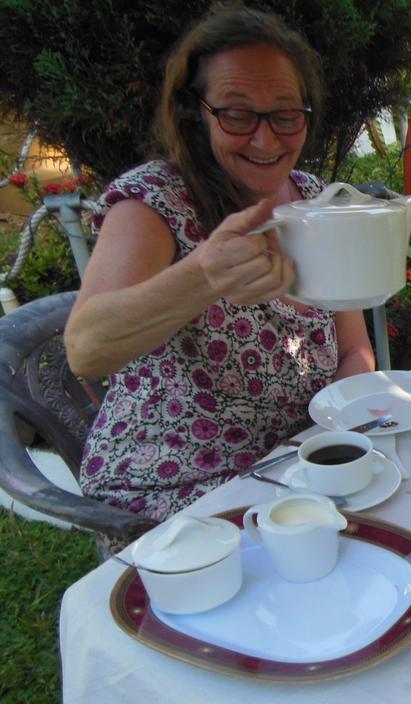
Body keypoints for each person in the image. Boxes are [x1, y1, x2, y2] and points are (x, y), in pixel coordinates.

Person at [64, 4, 373, 525]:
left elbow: (355, 348)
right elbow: (86, 348)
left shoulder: (317, 200)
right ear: (196, 112)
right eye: (236, 113)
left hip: (300, 463)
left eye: (285, 113)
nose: (265, 138)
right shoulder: (155, 202)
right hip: (175, 489)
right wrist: (203, 275)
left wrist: (337, 437)